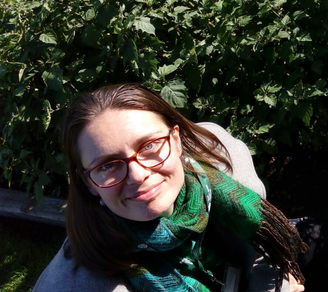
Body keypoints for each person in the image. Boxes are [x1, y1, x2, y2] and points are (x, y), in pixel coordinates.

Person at [33, 83, 307, 292]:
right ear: (88, 183)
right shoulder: (80, 283)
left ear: (177, 140)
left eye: (149, 146)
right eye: (108, 165)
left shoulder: (222, 162)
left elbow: (258, 245)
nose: (138, 175)